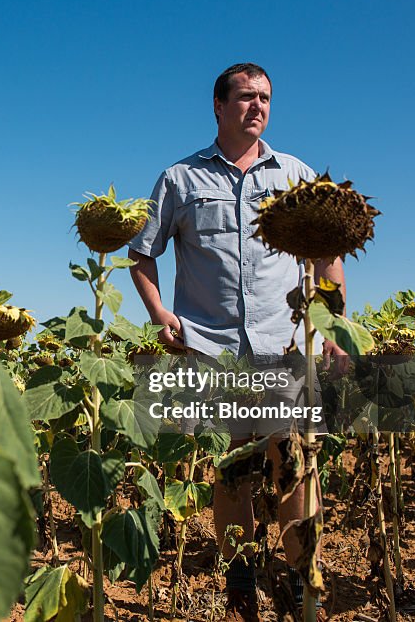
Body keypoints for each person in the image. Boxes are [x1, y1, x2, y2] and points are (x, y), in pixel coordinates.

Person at [127, 62, 346, 622]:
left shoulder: (294, 174)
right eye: (246, 97)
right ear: (219, 106)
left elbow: (328, 255)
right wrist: (159, 314)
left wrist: (334, 329)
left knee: (295, 465)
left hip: (285, 345)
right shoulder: (181, 179)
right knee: (231, 473)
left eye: (266, 98)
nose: (259, 106)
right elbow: (142, 251)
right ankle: (240, 577)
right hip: (211, 349)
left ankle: (302, 578)